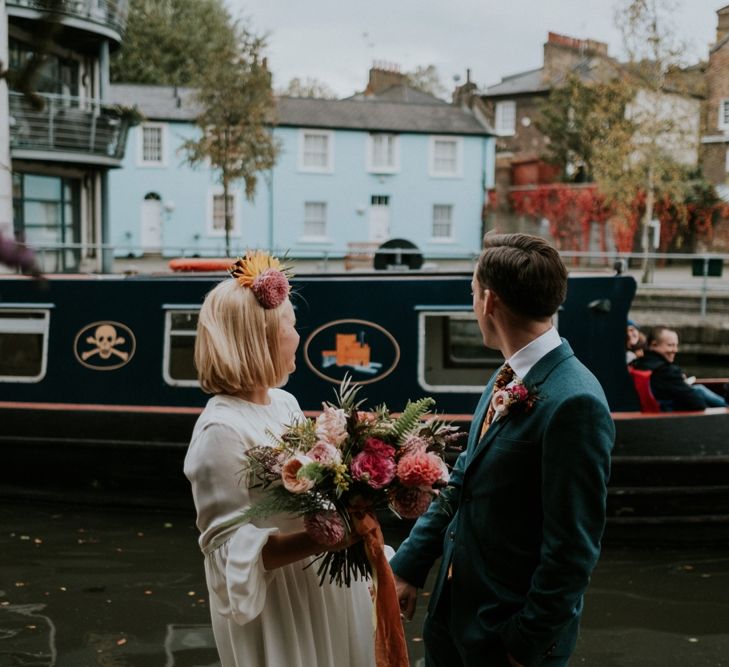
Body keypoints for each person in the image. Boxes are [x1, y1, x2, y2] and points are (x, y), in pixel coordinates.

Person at [390, 233, 614, 667]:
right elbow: (464, 480)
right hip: (454, 620)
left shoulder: (576, 402)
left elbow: (573, 550)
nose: (472, 302)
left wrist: (523, 644)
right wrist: (409, 566)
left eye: (471, 292)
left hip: (506, 641)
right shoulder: (509, 373)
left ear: (488, 300)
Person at [183, 251, 375, 667]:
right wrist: (331, 538)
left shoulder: (284, 402)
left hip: (325, 589)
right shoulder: (220, 431)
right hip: (280, 609)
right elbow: (226, 553)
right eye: (290, 325)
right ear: (261, 337)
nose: (298, 336)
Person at [633, 326, 727, 410]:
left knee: (699, 389)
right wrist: (683, 384)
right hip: (670, 419)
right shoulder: (666, 371)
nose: (675, 350)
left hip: (653, 413)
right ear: (654, 345)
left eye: (676, 345)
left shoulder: (639, 364)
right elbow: (698, 404)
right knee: (699, 392)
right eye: (670, 345)